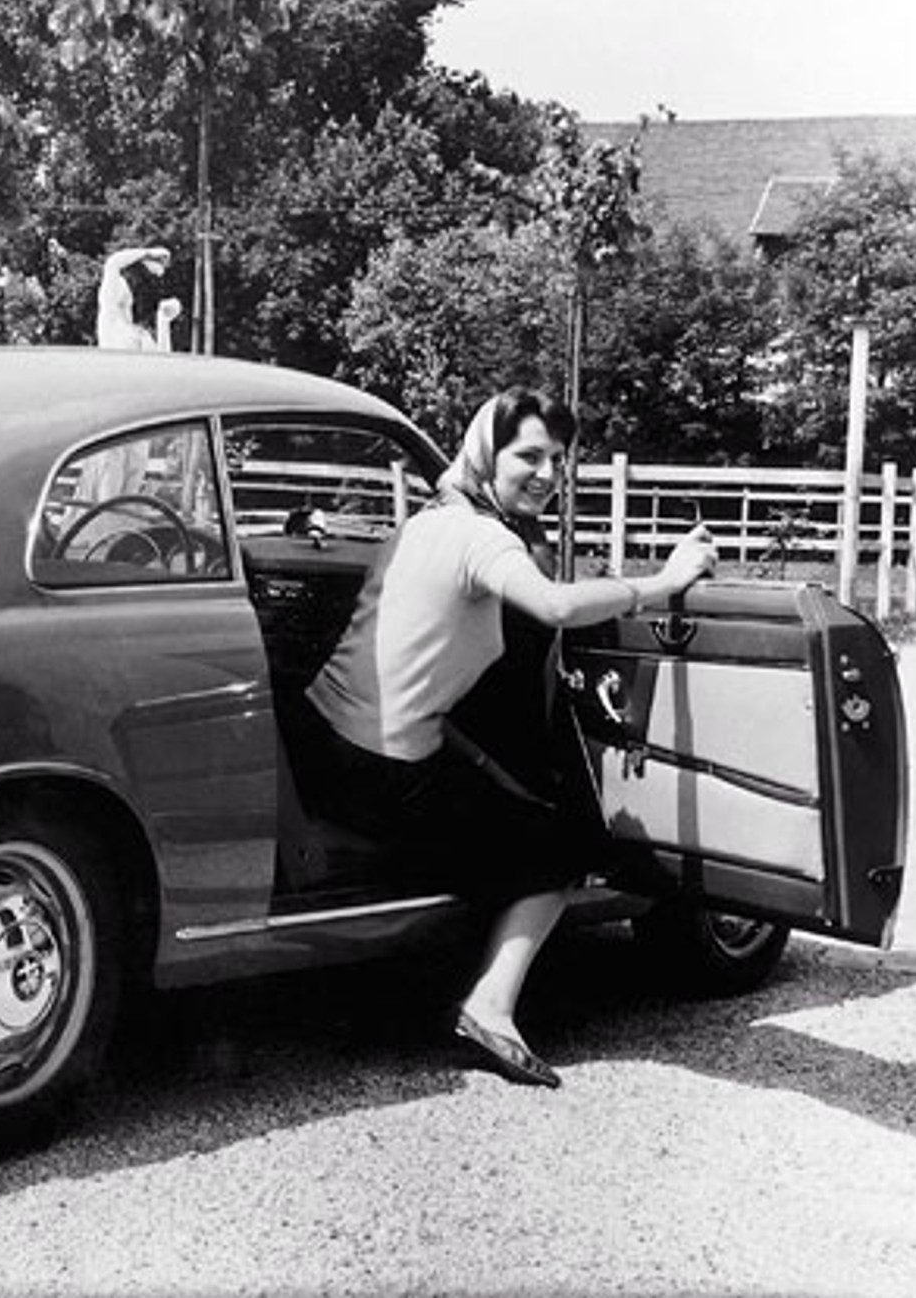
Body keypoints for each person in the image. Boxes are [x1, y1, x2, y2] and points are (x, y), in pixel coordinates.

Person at [297, 387, 716, 1088]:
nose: (549, 473)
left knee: (492, 791)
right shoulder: (482, 537)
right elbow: (553, 606)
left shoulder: (423, 522)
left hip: (319, 740)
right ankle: (490, 1007)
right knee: (563, 844)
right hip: (383, 769)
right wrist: (661, 581)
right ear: (488, 452)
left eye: (558, 458)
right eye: (530, 455)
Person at [97, 245, 182, 351]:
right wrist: (148, 254)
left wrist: (163, 321)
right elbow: (113, 263)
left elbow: (163, 361)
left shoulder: (138, 333)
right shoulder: (109, 322)